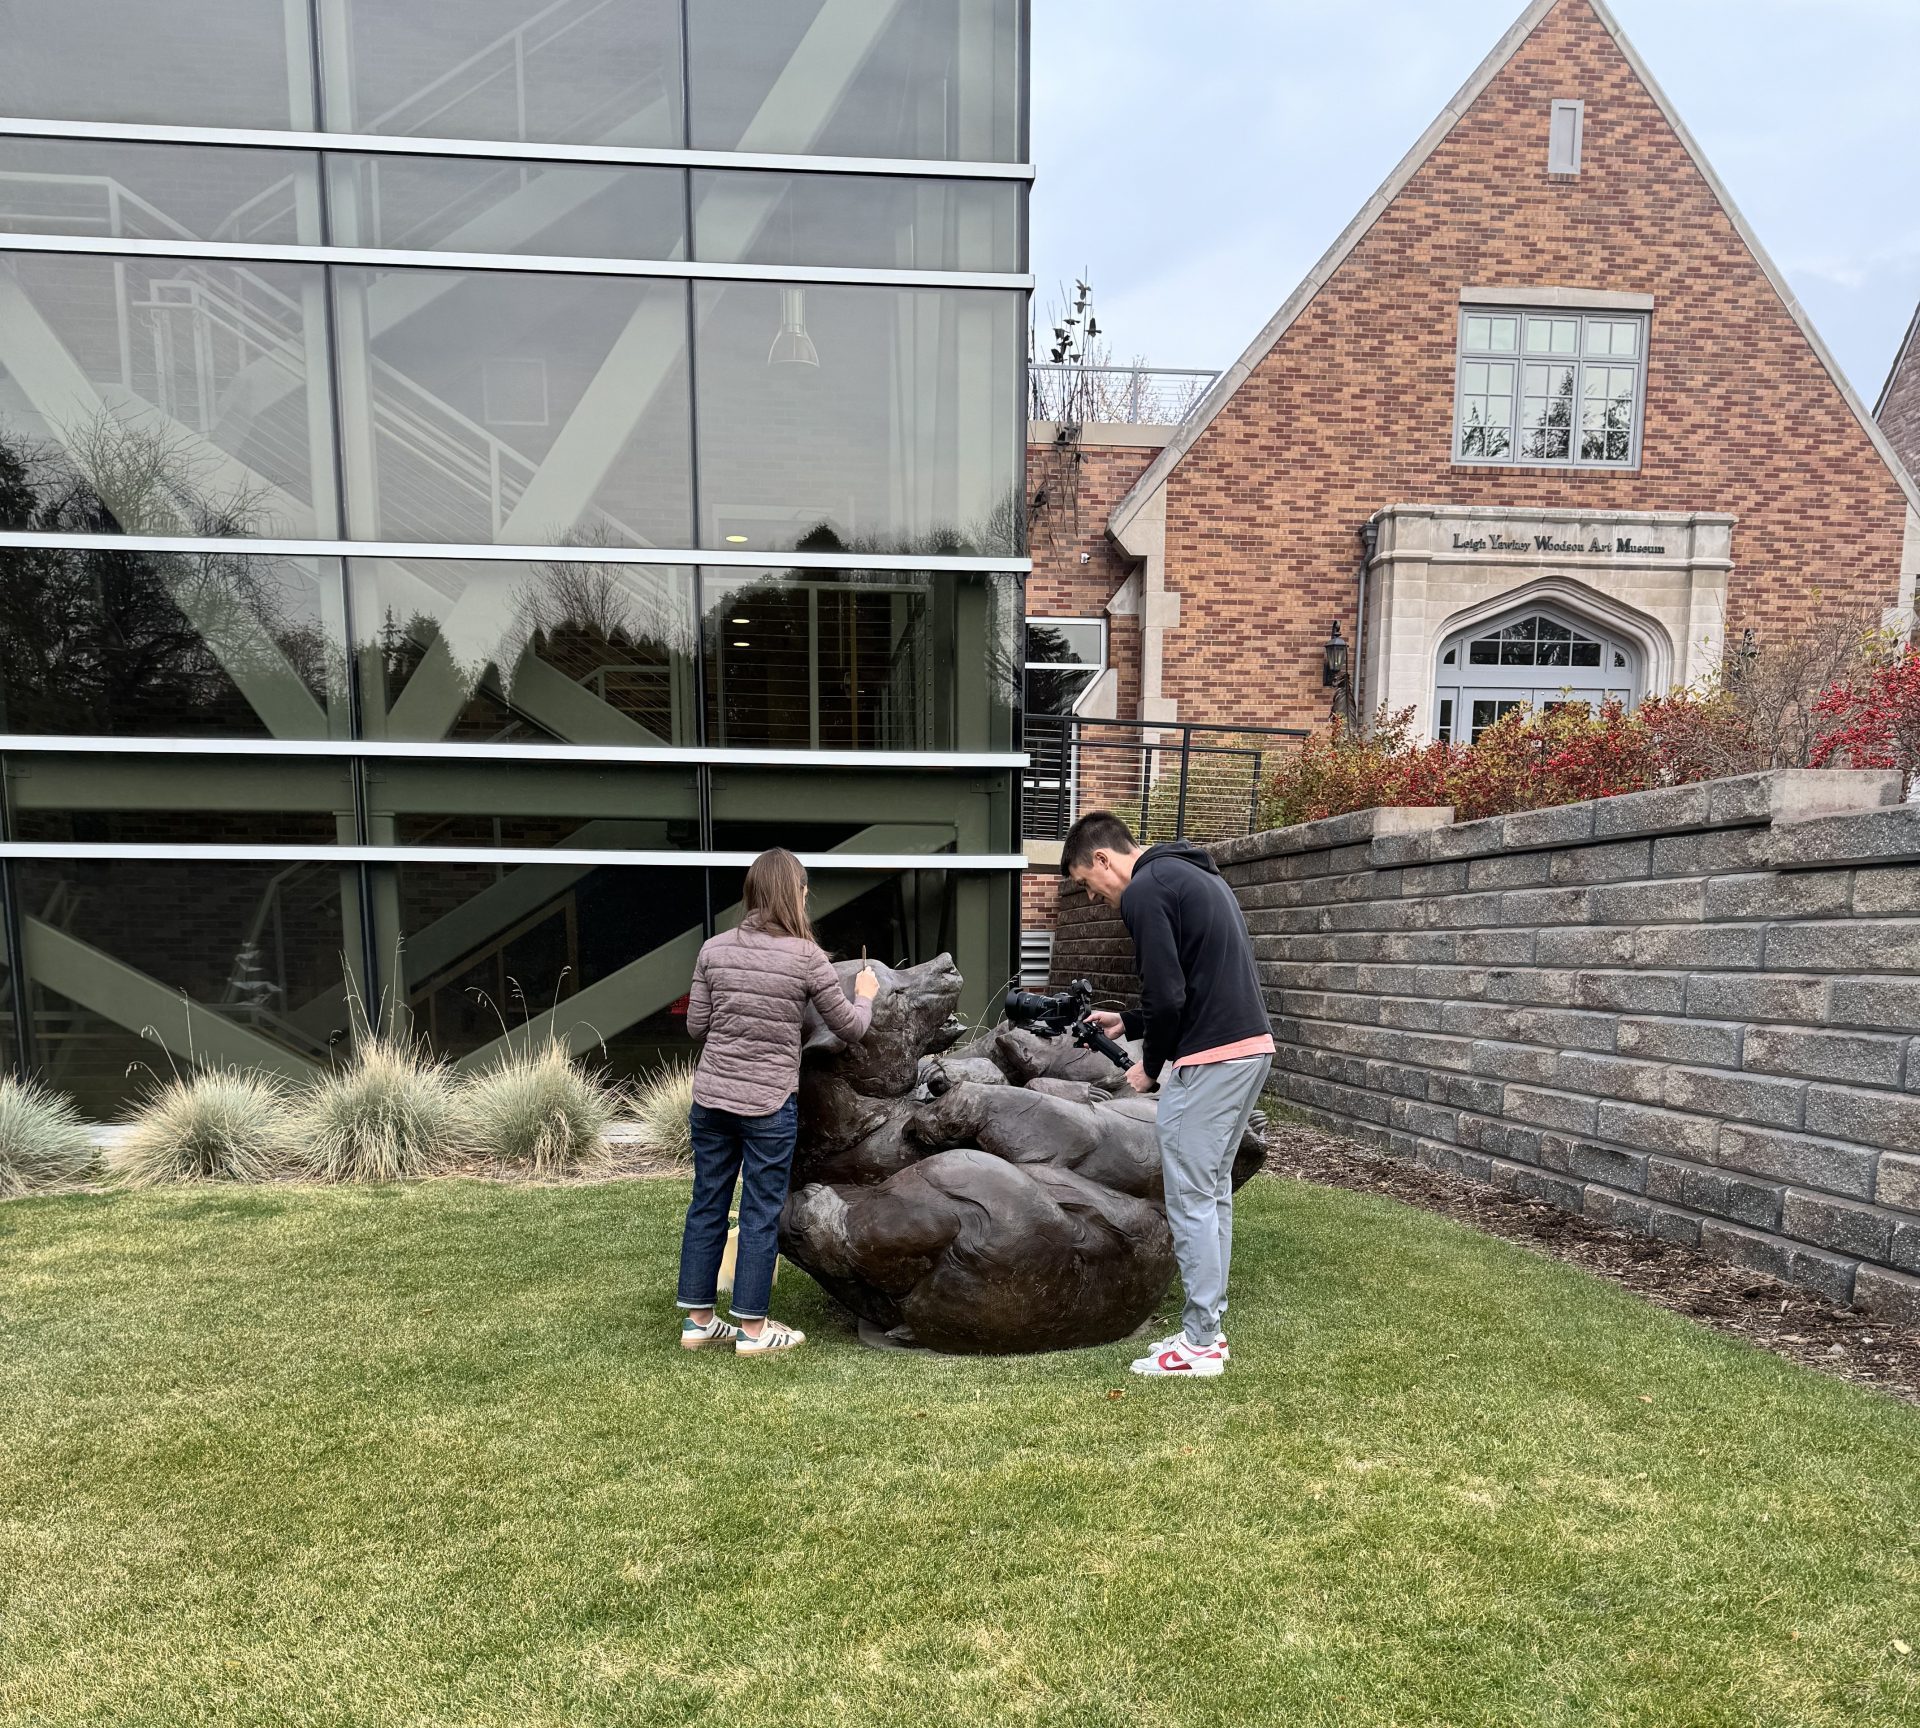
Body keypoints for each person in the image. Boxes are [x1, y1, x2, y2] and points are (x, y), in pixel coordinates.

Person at [1063, 811, 1273, 1379]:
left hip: (1210, 1058)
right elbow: (1192, 983)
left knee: (1190, 1198)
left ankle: (1202, 1345)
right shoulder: (1192, 875)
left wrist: (1150, 1065)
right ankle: (1206, 1334)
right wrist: (1130, 1022)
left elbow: (1168, 992)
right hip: (1248, 1047)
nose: (1094, 896)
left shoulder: (1146, 890)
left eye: (1087, 882)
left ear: (1105, 859)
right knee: (1212, 1195)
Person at [675, 847, 879, 1356]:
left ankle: (699, 1322)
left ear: (752, 894)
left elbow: (696, 1026)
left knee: (707, 1205)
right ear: (796, 894)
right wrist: (867, 992)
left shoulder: (713, 950)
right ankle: (752, 1330)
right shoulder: (807, 957)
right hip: (767, 1104)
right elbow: (850, 1029)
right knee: (762, 1211)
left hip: (713, 1100)